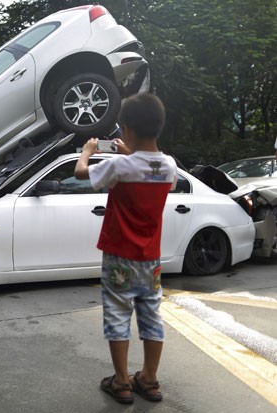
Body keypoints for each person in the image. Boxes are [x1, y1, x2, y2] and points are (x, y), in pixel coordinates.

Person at [74, 93, 178, 404]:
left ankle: (121, 382)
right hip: (152, 259)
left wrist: (87, 151)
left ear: (127, 128)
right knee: (151, 315)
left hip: (120, 256)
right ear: (158, 127)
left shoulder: (119, 165)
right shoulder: (170, 167)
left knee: (118, 315)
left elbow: (81, 174)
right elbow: (150, 168)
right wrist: (131, 151)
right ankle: (148, 378)